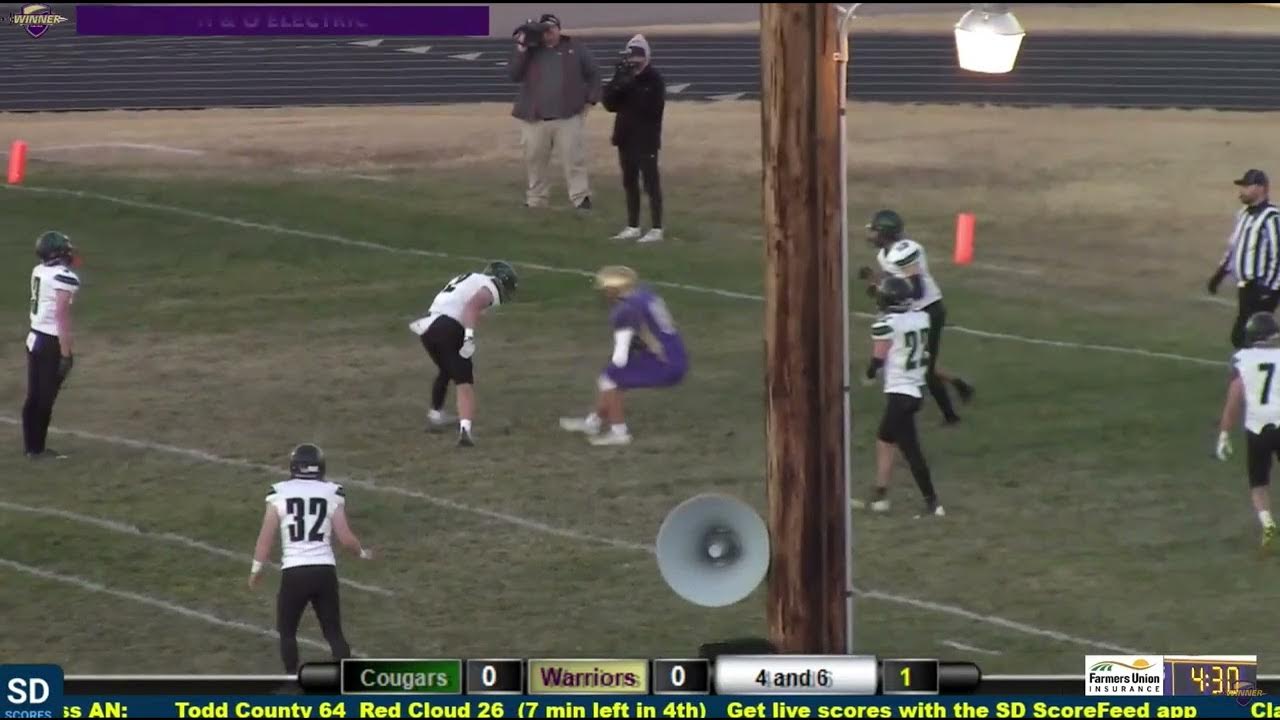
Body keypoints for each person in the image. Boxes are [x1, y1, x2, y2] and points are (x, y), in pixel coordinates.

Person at [249, 443, 373, 674]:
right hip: (324, 571)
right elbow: (346, 539)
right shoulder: (331, 491)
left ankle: (292, 680)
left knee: (287, 631)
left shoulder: (279, 492)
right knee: (333, 631)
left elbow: (266, 538)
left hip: (294, 572)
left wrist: (256, 569)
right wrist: (363, 553)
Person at [858, 209, 974, 425]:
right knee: (918, 360)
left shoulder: (904, 251)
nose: (871, 235)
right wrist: (877, 283)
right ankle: (960, 385)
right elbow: (897, 280)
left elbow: (917, 290)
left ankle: (951, 416)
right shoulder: (884, 255)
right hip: (913, 311)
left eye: (875, 231)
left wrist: (889, 296)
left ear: (885, 233)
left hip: (928, 309)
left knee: (924, 369)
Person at [559, 265, 688, 446]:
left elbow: (634, 341)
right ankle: (593, 423)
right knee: (610, 376)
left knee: (611, 379)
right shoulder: (645, 295)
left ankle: (619, 433)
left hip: (664, 361)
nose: (605, 293)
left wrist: (647, 348)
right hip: (673, 353)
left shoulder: (627, 309)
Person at [852, 276, 944, 518]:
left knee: (911, 450)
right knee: (885, 439)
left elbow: (878, 358)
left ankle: (933, 503)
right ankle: (880, 493)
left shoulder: (888, 324)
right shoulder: (921, 319)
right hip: (913, 389)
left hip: (901, 393)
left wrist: (870, 374)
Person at [409, 261, 518, 447]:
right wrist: (468, 337)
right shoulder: (489, 287)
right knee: (464, 381)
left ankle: (436, 415)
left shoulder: (470, 279)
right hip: (448, 327)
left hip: (429, 328)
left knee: (446, 369)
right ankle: (465, 431)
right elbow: (471, 308)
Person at [508, 13, 601, 211]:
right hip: (534, 118)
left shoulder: (575, 49)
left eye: (552, 29)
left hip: (567, 116)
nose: (548, 33)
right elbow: (514, 74)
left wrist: (591, 100)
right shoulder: (531, 51)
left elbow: (593, 73)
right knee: (535, 160)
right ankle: (536, 199)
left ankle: (580, 197)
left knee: (573, 158)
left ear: (559, 29)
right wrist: (522, 48)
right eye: (545, 30)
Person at [1215, 312, 1280, 549]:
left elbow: (1234, 399)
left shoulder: (1241, 359)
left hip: (1257, 427)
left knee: (1259, 483)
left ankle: (1267, 522)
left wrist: (1224, 434)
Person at [602, 34, 666, 244]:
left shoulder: (654, 79)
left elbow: (652, 110)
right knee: (629, 183)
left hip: (646, 139)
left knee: (650, 184)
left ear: (646, 57)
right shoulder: (624, 76)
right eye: (631, 56)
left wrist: (632, 85)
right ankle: (633, 225)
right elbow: (609, 104)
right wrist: (619, 82)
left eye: (638, 56)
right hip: (625, 138)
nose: (634, 61)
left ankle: (657, 228)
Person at [1207, 169, 1280, 349]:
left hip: (1261, 288)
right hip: (1246, 287)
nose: (1241, 191)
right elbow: (1234, 248)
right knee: (1246, 337)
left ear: (1260, 188)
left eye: (1246, 186)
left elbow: (1278, 255)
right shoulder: (1243, 214)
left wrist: (1269, 289)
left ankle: (1254, 373)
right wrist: (1220, 274)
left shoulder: (1272, 217)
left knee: (1246, 337)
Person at [24, 230, 79, 460]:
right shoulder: (63, 277)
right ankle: (37, 450)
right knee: (45, 398)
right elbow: (61, 316)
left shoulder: (39, 270)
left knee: (34, 396)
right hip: (49, 342)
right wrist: (66, 353)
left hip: (33, 337)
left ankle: (31, 447)